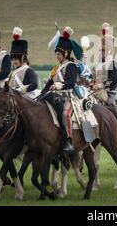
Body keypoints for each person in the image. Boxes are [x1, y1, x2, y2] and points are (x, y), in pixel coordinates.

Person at [41, 26, 82, 154]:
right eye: (56, 54)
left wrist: (59, 85)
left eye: (59, 54)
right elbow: (49, 82)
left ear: (65, 53)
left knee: (65, 114)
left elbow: (71, 83)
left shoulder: (71, 66)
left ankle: (68, 140)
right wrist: (42, 94)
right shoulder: (56, 68)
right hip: (54, 96)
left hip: (68, 97)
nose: (57, 56)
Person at [92, 23, 117, 105]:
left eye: (102, 51)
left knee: (111, 107)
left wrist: (100, 85)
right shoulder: (100, 64)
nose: (100, 53)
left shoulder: (113, 63)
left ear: (108, 50)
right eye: (100, 51)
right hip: (98, 93)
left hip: (111, 94)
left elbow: (113, 80)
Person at [8, 27, 39, 99]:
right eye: (12, 60)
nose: (13, 62)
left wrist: (22, 89)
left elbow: (34, 84)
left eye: (15, 59)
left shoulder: (29, 70)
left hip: (27, 99)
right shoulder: (13, 72)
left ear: (22, 58)